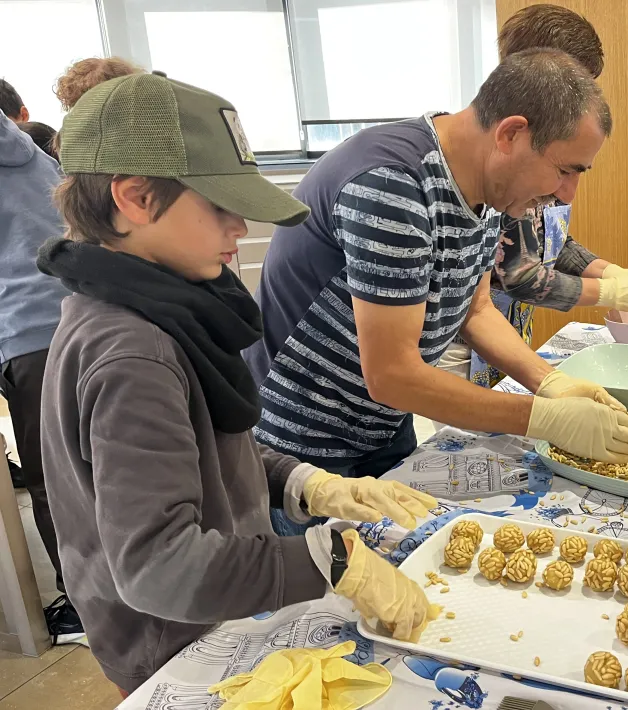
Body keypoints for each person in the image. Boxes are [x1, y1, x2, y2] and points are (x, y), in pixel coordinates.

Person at [38, 72, 441, 694]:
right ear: (136, 198)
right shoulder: (133, 356)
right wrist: (332, 560)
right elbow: (158, 567)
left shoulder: (164, 309)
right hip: (176, 643)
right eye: (220, 206)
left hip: (216, 612)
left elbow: (202, 450)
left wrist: (305, 482)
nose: (239, 227)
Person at [245, 49, 628, 535]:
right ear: (511, 134)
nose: (567, 194)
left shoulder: (490, 188)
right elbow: (392, 374)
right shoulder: (390, 185)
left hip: (382, 423)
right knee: (331, 578)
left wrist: (549, 382)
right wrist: (544, 418)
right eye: (565, 170)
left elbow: (475, 309)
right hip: (305, 442)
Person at [437, 3, 628, 386]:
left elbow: (551, 239)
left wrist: (610, 272)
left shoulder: (540, 158)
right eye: (575, 87)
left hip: (506, 329)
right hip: (464, 345)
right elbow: (518, 275)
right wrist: (608, 291)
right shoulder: (497, 170)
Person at [0, 112, 84, 643]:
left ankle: (83, 607)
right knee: (92, 463)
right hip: (82, 311)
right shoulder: (30, 151)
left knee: (53, 480)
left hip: (29, 333)